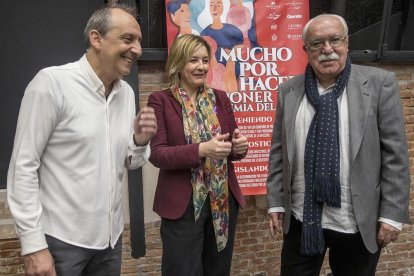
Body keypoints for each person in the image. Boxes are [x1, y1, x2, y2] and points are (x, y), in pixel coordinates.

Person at [7, 4, 157, 276]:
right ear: (96, 38)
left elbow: (130, 163)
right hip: (60, 243)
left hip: (110, 243)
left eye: (139, 42)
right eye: (128, 39)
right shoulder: (51, 84)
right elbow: (23, 166)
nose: (137, 49)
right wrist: (33, 245)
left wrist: (140, 140)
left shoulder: (125, 93)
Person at [266, 14, 410, 276]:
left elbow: (395, 156)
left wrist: (391, 214)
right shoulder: (289, 91)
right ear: (306, 50)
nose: (327, 49)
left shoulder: (378, 85)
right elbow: (279, 152)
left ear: (347, 42)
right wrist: (275, 202)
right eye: (317, 43)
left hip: (357, 220)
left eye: (334, 40)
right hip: (302, 218)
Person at [148, 34, 248, 276]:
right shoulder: (160, 100)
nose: (201, 66)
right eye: (193, 60)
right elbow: (158, 154)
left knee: (218, 270)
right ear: (179, 62)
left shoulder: (220, 98)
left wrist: (239, 148)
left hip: (222, 200)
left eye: (205, 60)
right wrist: (201, 150)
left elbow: (231, 146)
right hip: (182, 204)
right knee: (181, 270)